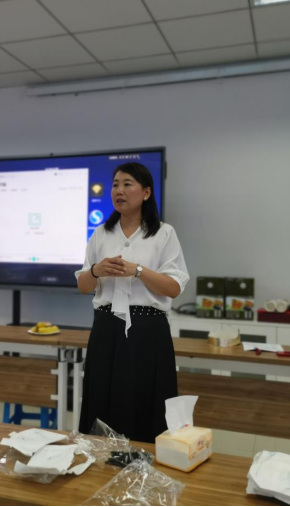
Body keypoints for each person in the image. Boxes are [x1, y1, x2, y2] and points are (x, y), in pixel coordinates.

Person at [76, 162, 189, 443]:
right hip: (106, 329)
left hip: (148, 331)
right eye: (115, 184)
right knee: (102, 397)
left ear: (146, 192)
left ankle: (145, 462)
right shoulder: (101, 234)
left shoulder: (164, 233)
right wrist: (96, 271)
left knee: (146, 401)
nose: (119, 191)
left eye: (127, 184)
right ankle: (99, 458)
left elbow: (174, 287)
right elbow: (83, 285)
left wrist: (137, 270)